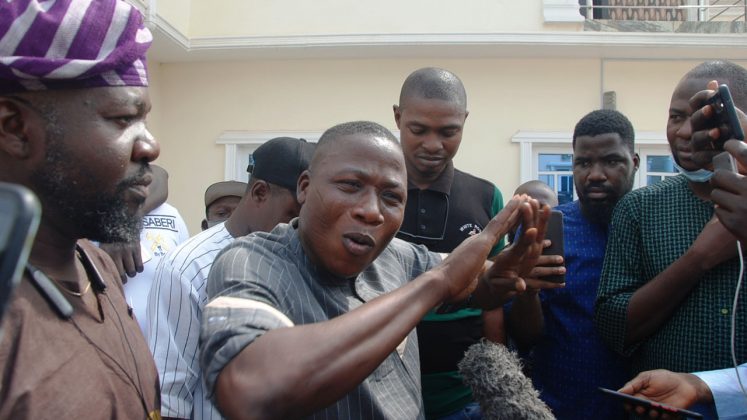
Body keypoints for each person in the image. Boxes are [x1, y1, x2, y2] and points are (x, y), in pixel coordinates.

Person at [199, 121, 555, 419]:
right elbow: (251, 389)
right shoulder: (250, 261)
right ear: (304, 187)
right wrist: (437, 282)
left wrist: (506, 272)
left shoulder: (397, 257)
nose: (371, 211)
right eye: (351, 186)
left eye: (391, 197)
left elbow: (474, 284)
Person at [0, 1, 161, 418]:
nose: (151, 146)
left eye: (145, 121)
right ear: (15, 128)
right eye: (123, 118)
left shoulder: (97, 264)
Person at [595, 61, 747, 395]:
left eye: (706, 117)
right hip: (662, 407)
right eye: (676, 116)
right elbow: (614, 328)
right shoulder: (639, 208)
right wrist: (699, 257)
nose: (685, 131)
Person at [148, 137, 314, 420]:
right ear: (259, 193)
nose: (299, 227)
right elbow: (169, 395)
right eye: (293, 214)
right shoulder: (189, 266)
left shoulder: (303, 257)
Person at [506, 109, 639, 419]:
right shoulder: (544, 232)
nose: (595, 174)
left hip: (643, 406)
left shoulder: (653, 228)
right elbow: (525, 338)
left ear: (634, 162)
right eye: (583, 163)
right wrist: (527, 291)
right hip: (558, 407)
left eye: (611, 161)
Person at [392, 67, 506, 419]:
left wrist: (499, 386)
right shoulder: (372, 196)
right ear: (397, 118)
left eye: (448, 132)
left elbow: (493, 300)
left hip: (463, 396)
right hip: (382, 389)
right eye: (418, 130)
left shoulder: (485, 196)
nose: (432, 144)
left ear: (464, 122)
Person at [101, 165, 190, 336]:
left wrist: (123, 224)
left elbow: (160, 174)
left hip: (160, 346)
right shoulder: (78, 212)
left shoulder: (168, 214)